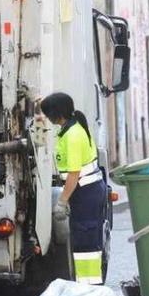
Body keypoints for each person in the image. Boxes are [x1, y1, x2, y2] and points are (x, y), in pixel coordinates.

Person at [39, 92, 107, 285]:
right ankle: (87, 285)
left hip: (86, 192)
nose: (47, 118)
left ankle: (90, 287)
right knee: (84, 241)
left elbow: (74, 174)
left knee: (87, 244)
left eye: (48, 113)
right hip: (87, 192)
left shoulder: (73, 135)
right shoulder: (72, 128)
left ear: (57, 114)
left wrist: (62, 201)